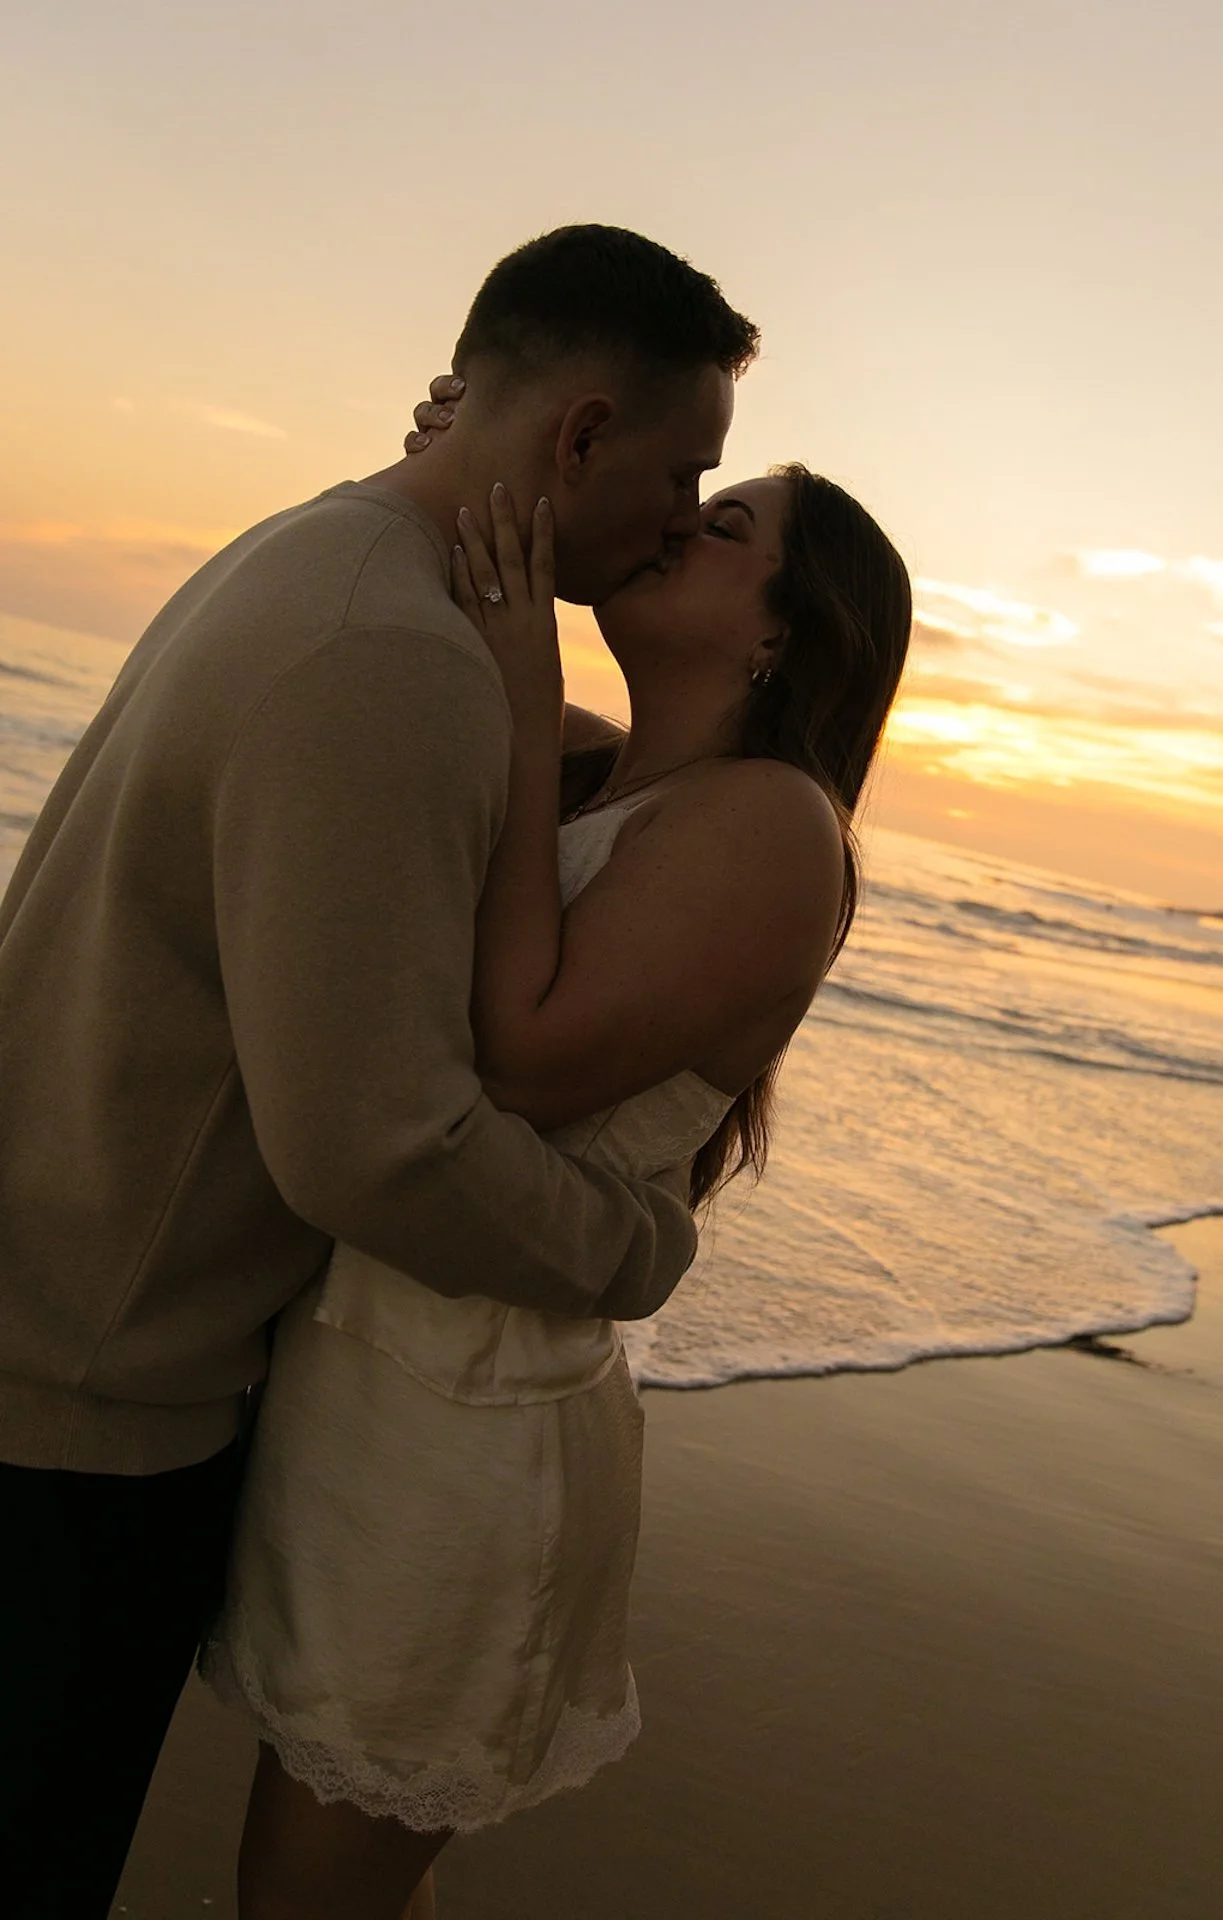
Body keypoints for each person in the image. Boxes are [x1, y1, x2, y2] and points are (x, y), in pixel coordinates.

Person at [0, 223, 760, 1920]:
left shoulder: (323, 558)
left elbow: (591, 812)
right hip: (78, 1410)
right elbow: (380, 1150)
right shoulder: (384, 652)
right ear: (577, 437)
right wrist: (640, 1250)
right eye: (680, 466)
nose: (680, 513)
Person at [209, 439, 913, 1917]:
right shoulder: (608, 765)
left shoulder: (775, 822)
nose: (675, 527)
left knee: (305, 1895)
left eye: (724, 526)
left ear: (788, 628)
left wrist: (527, 708)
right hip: (367, 1374)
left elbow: (524, 1061)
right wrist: (472, 431)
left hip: (467, 1430)